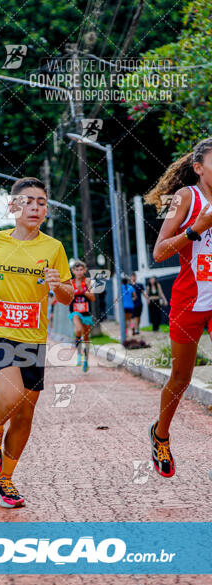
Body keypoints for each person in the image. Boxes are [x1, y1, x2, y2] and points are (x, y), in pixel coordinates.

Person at [0, 177, 73, 508]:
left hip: (33, 337)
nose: (35, 207)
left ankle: (4, 479)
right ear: (13, 206)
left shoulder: (54, 248)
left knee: (26, 414)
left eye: (41, 202)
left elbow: (69, 295)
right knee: (11, 397)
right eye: (28, 201)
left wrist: (58, 285)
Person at [146, 137, 212, 477]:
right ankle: (161, 433)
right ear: (199, 168)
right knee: (181, 377)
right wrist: (195, 230)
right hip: (190, 300)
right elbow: (159, 253)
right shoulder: (186, 198)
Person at [68, 260, 95, 372]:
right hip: (74, 312)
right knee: (78, 329)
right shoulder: (70, 282)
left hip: (86, 313)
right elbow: (67, 297)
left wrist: (83, 291)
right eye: (77, 270)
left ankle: (86, 360)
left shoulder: (87, 282)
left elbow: (93, 298)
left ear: (85, 270)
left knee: (86, 337)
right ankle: (79, 355)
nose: (79, 272)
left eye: (81, 269)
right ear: (73, 271)